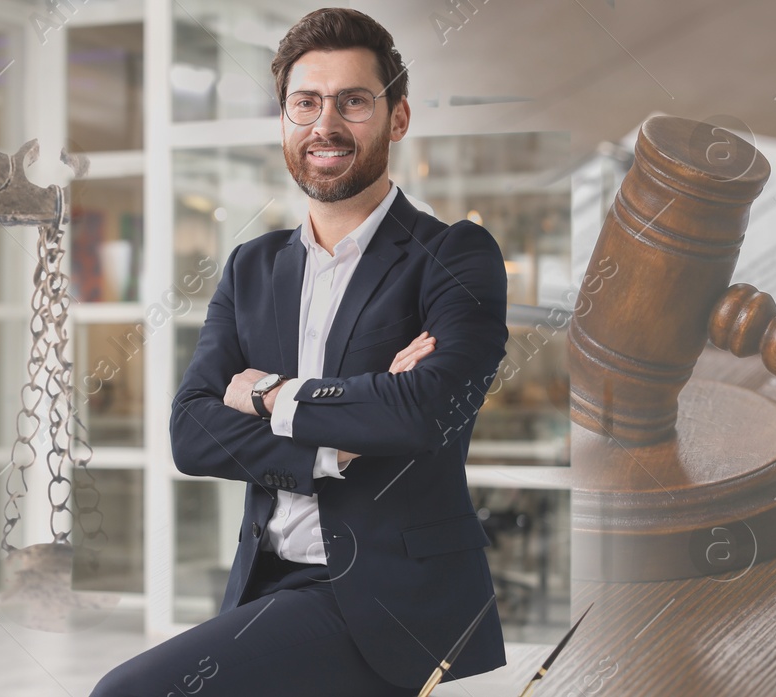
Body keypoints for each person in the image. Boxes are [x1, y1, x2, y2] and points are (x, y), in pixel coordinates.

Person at [93, 8, 509, 696]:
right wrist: (337, 442)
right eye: (305, 103)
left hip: (387, 599)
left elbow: (425, 412)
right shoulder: (251, 267)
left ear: (397, 118)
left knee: (129, 692)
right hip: (265, 582)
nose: (325, 124)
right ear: (285, 121)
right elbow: (191, 430)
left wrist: (269, 395)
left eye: (353, 101)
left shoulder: (453, 254)